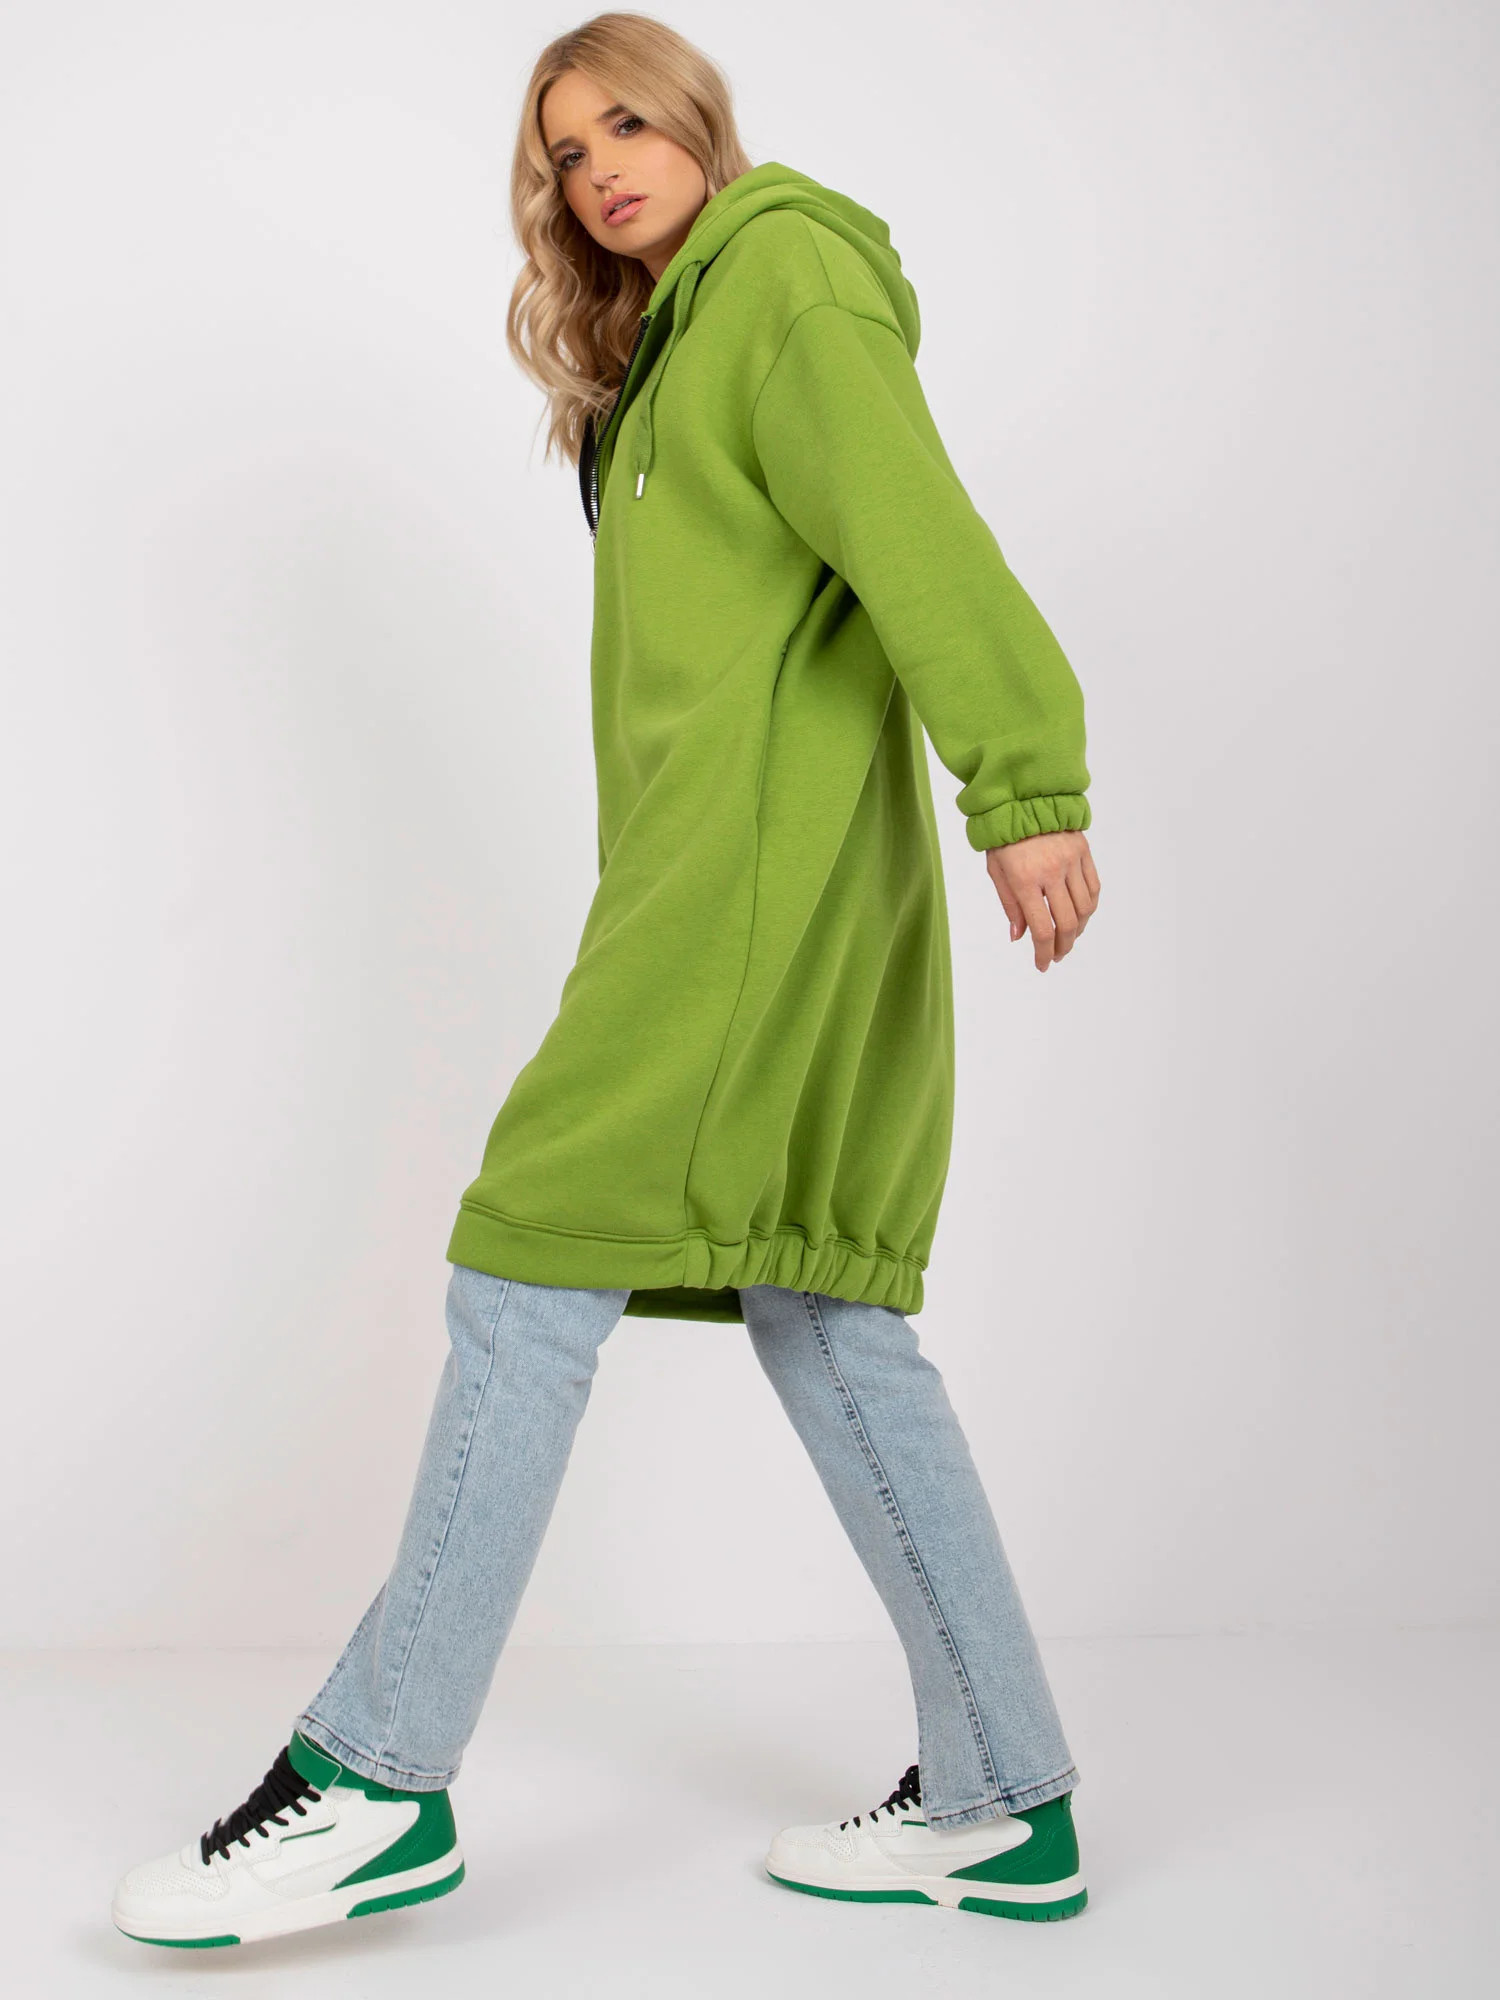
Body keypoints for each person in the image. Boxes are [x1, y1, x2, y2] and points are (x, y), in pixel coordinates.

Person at [111, 9, 1100, 1951]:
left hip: (741, 895)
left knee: (525, 1263)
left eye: (630, 123)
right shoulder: (669, 347)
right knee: (824, 1302)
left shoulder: (783, 279)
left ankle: (378, 1777)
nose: (601, 170)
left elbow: (920, 536)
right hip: (720, 882)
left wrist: (1028, 785)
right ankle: (1002, 1794)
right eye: (566, 153)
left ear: (703, 124)